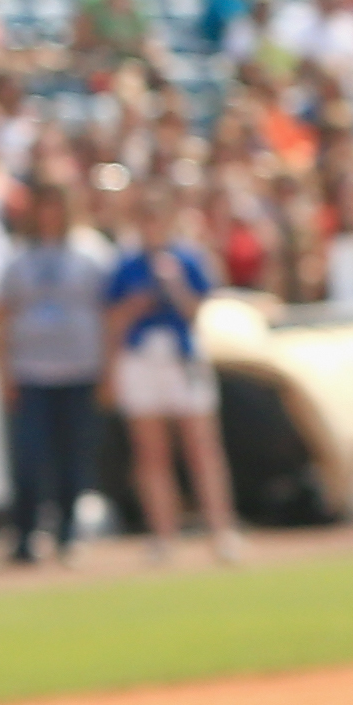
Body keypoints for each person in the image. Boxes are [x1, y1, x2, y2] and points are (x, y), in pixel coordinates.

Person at [102, 183, 241, 566]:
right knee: (151, 453)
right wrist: (134, 307)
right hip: (142, 358)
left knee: (201, 446)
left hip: (182, 358)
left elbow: (198, 312)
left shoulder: (189, 259)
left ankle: (221, 531)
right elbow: (111, 319)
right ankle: (164, 535)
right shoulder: (125, 265)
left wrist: (174, 286)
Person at [0, 174, 107, 566]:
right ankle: (24, 533)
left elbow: (108, 315)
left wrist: (109, 369)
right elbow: (1, 320)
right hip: (31, 371)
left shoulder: (91, 253)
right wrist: (3, 373)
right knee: (29, 455)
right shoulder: (17, 259)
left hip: (78, 368)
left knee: (74, 455)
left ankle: (68, 531)